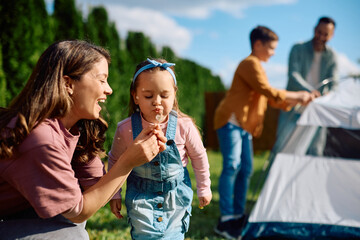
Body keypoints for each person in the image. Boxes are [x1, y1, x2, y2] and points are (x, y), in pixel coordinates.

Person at [0, 40, 167, 240]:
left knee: (72, 229)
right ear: (68, 84)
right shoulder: (41, 139)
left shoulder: (74, 128)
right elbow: (78, 211)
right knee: (70, 234)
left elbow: (94, 188)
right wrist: (129, 161)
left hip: (16, 214)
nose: (110, 90)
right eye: (102, 80)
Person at [213, 26, 313, 239]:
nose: (274, 53)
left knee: (246, 169)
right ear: (258, 44)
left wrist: (296, 101)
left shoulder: (258, 66)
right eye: (271, 48)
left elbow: (269, 98)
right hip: (231, 121)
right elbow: (269, 91)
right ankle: (226, 219)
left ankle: (238, 214)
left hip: (244, 126)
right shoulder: (250, 64)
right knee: (232, 166)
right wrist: (298, 95)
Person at [108, 58, 212, 240]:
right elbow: (115, 160)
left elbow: (199, 157)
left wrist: (204, 188)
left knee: (174, 235)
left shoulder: (184, 126)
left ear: (174, 94)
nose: (157, 102)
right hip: (141, 197)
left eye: (164, 96)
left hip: (176, 197)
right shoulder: (125, 129)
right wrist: (114, 194)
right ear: (135, 96)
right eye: (148, 96)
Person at [276, 17, 338, 149]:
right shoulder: (298, 48)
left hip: (317, 110)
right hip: (293, 107)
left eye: (325, 34)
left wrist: (326, 97)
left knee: (315, 149)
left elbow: (334, 83)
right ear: (314, 29)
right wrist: (311, 92)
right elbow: (293, 75)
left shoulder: (332, 56)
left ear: (331, 36)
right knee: (282, 146)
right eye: (319, 32)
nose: (320, 36)